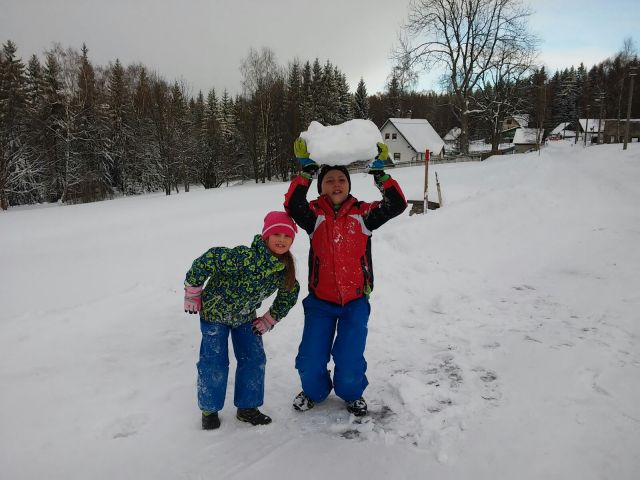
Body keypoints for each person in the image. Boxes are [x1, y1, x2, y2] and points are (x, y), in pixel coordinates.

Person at [284, 138, 407, 417]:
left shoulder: (364, 214)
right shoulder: (313, 215)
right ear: (321, 186)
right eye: (329, 180)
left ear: (349, 185)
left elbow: (397, 204)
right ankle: (314, 392)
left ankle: (352, 394)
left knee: (349, 361)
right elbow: (293, 204)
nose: (336, 184)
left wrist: (379, 172)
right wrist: (305, 172)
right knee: (309, 360)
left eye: (341, 179)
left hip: (354, 303)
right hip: (320, 303)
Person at [183, 211, 300, 430]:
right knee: (214, 362)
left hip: (245, 317)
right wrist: (193, 290)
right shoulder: (243, 257)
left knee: (254, 359)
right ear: (266, 236)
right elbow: (209, 258)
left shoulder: (283, 271)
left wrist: (269, 318)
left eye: (287, 235)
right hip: (214, 315)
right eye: (276, 234)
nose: (282, 240)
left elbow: (289, 294)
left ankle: (247, 408)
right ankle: (209, 409)